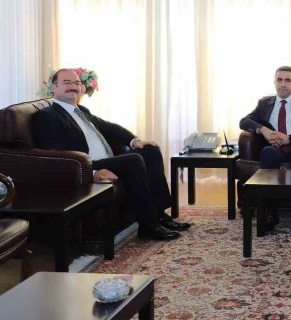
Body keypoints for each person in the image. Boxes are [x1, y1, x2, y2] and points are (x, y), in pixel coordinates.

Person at [32, 68, 190, 241]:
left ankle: (159, 215)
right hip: (88, 165)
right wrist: (92, 172)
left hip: (107, 161)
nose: (73, 86)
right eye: (67, 82)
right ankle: (148, 225)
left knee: (150, 150)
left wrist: (134, 141)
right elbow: (55, 155)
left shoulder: (80, 111)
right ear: (54, 87)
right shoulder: (48, 116)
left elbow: (109, 127)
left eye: (76, 82)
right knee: (133, 160)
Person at [239, 66, 291, 233]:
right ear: (274, 82)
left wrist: (290, 138)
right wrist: (263, 130)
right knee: (267, 152)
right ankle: (271, 213)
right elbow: (244, 121)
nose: (283, 84)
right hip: (275, 147)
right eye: (279, 80)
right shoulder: (264, 104)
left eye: (287, 80)